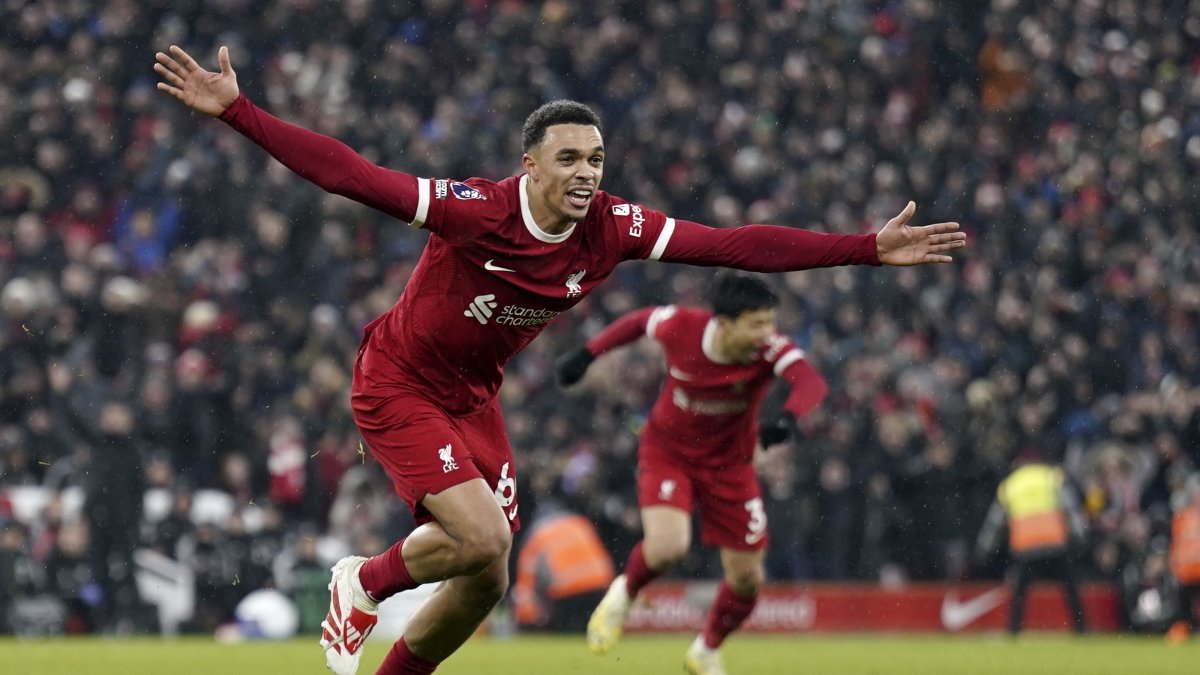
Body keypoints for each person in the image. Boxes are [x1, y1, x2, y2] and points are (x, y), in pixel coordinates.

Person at [153, 44, 966, 675]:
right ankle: (362, 583)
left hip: (474, 395)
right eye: (570, 159)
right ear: (531, 164)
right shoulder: (477, 209)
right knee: (476, 535)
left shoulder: (614, 227)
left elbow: (735, 245)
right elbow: (356, 177)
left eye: (597, 160)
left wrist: (863, 248)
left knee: (490, 574)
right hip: (398, 379)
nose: (587, 174)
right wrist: (240, 113)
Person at [555, 272, 827, 674]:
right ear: (724, 322)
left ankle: (705, 650)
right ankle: (624, 593)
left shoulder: (769, 349)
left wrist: (789, 418)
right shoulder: (683, 327)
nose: (766, 333)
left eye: (770, 322)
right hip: (670, 453)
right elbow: (638, 321)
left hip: (731, 467)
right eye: (756, 323)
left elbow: (810, 382)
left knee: (748, 579)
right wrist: (587, 354)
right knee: (668, 548)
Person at [975, 451, 1088, 635]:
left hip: (1026, 547)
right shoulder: (1051, 478)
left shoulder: (1010, 485)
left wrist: (984, 549)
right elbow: (1071, 509)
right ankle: (1082, 628)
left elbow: (994, 523)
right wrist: (1081, 537)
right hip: (1054, 544)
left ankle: (1013, 630)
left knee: (1019, 593)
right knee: (1070, 589)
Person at [512, 493, 615, 633]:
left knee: (568, 634)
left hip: (568, 591)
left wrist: (528, 622)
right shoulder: (580, 522)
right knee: (593, 630)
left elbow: (527, 585)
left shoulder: (536, 537)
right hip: (599, 585)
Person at [1167, 474, 1200, 642]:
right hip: (1187, 572)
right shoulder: (1182, 517)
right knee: (1184, 606)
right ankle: (1183, 630)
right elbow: (1176, 544)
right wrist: (1174, 566)